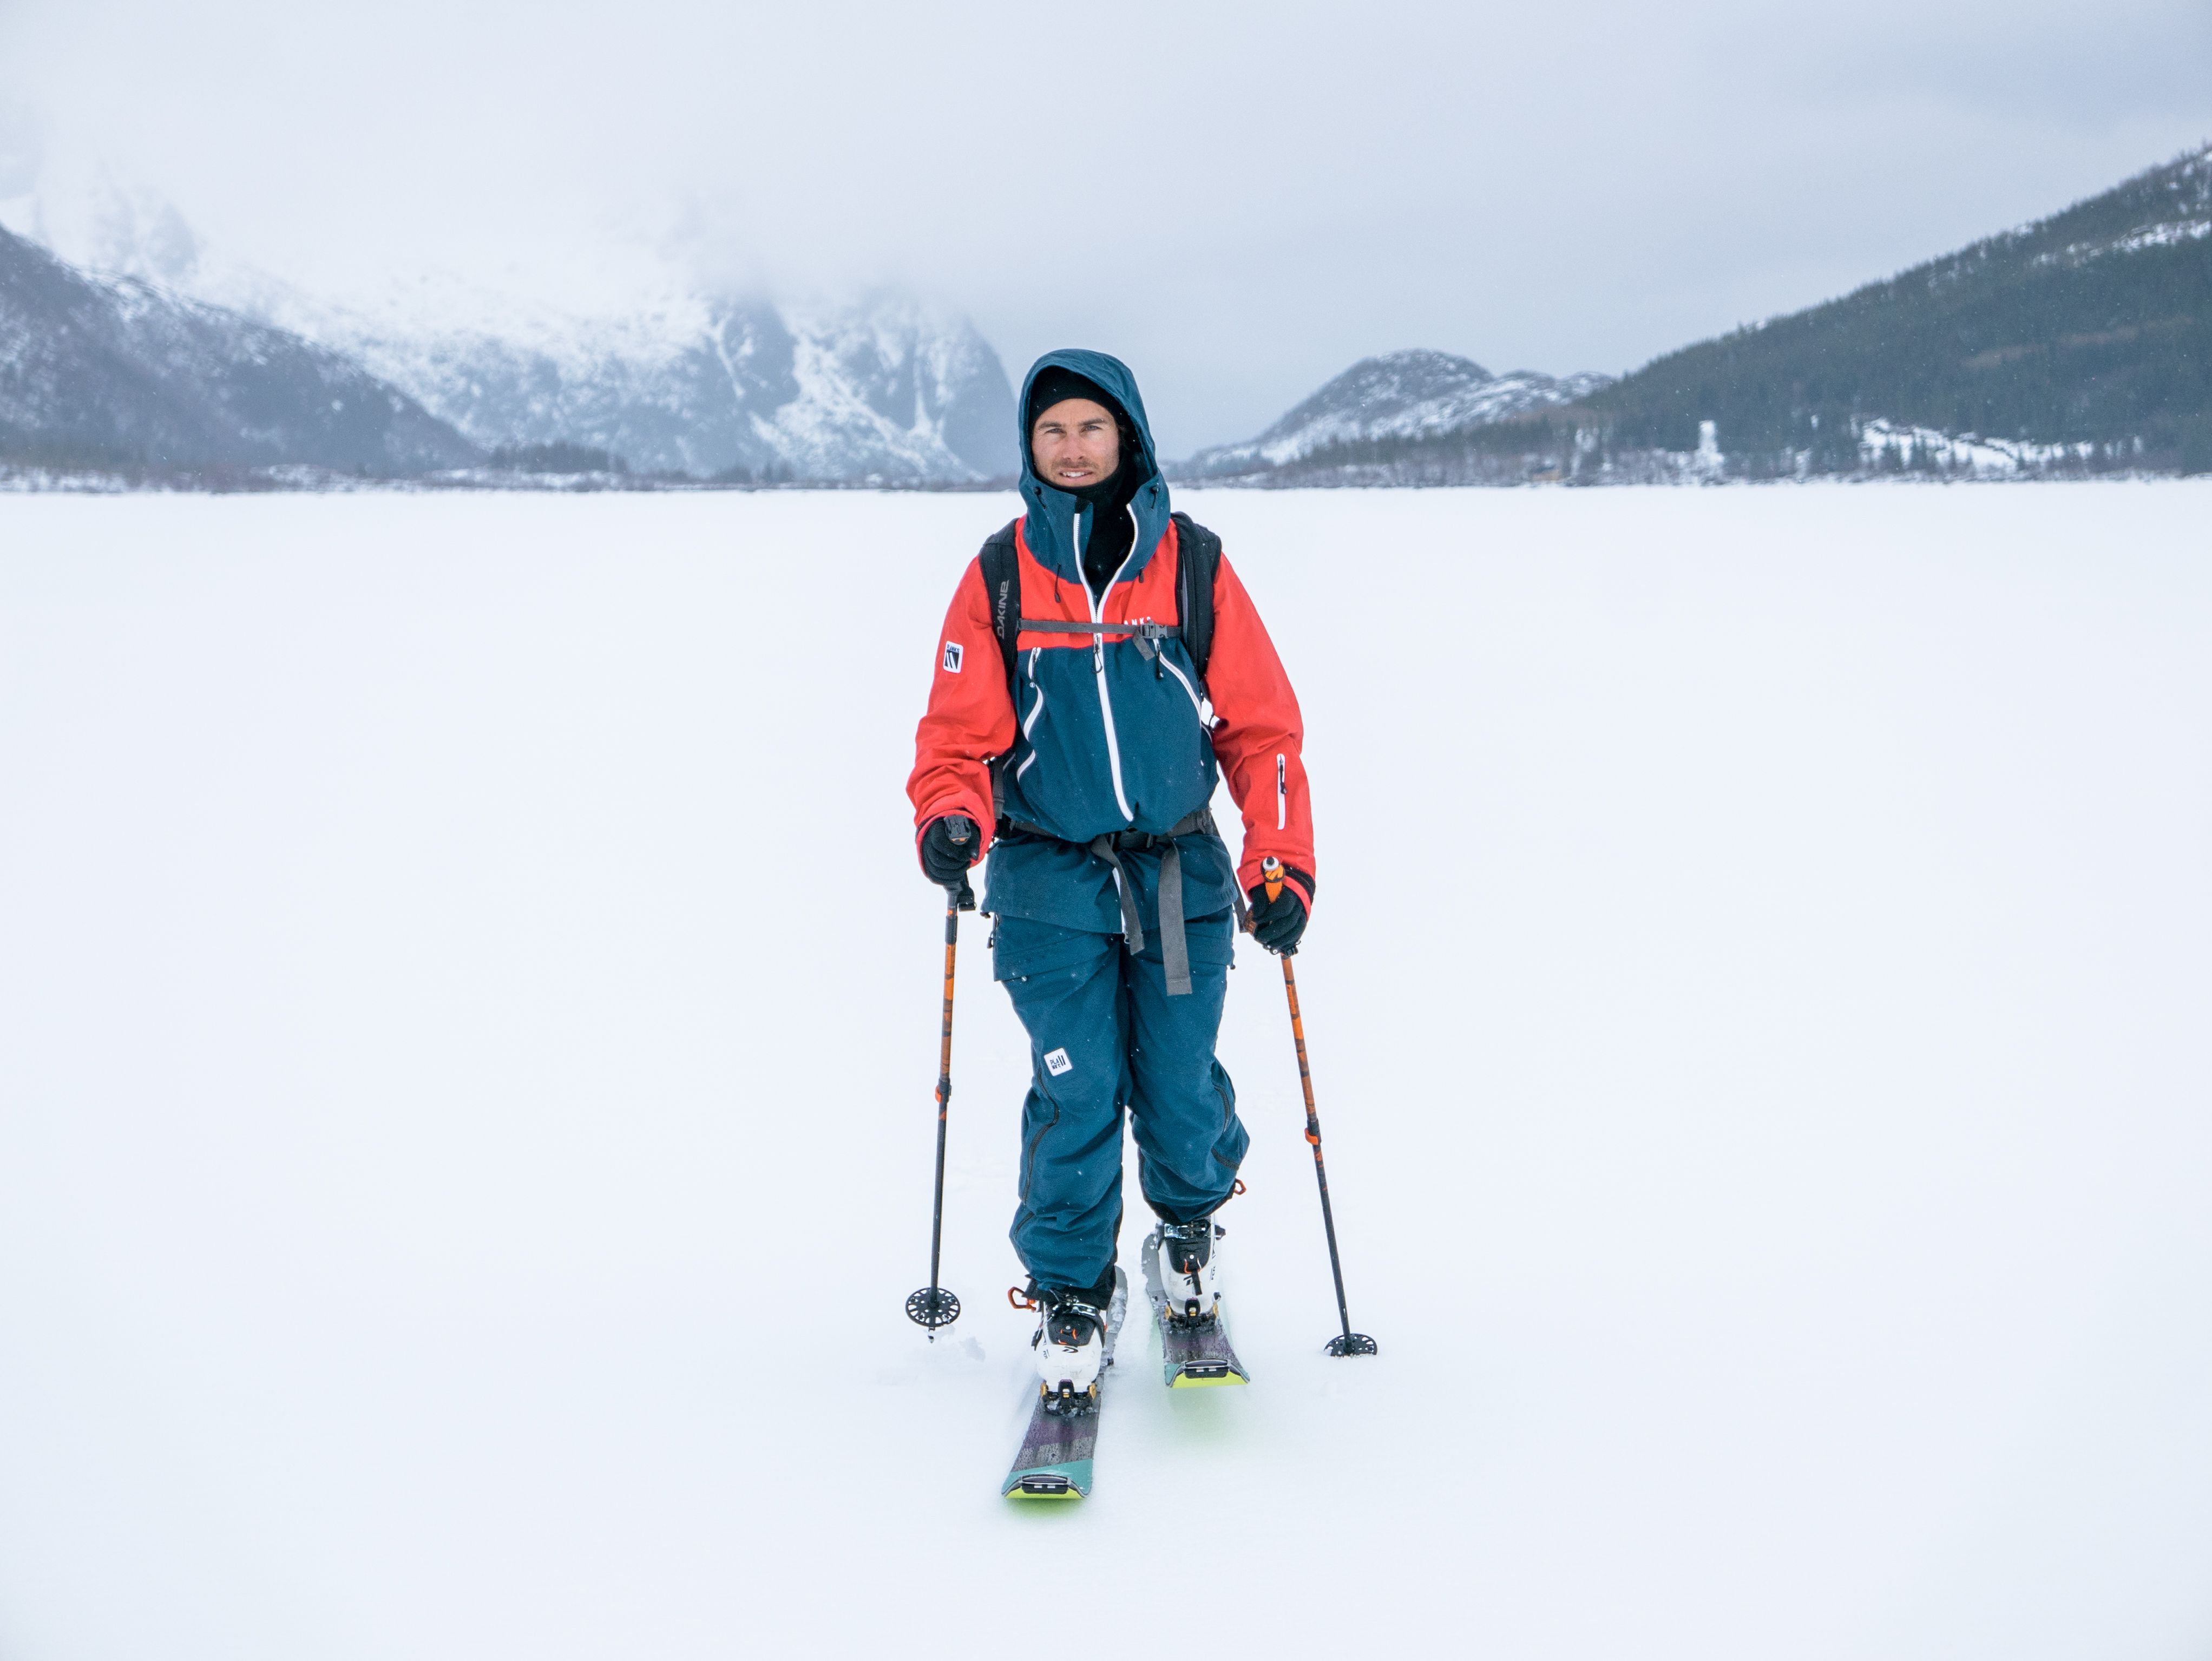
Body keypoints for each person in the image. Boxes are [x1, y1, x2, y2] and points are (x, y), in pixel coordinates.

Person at [906, 350, 1315, 1399]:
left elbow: (1261, 729)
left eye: (1090, 428)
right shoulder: (1000, 573)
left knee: (1178, 1080)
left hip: (1178, 873)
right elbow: (957, 740)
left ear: (1126, 436)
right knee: (1074, 1087)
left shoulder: (1190, 563)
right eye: (1053, 432)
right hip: (1048, 880)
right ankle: (1070, 1293)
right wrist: (952, 819)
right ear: (1030, 448)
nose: (1073, 448)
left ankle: (1185, 1241)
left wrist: (1279, 863)